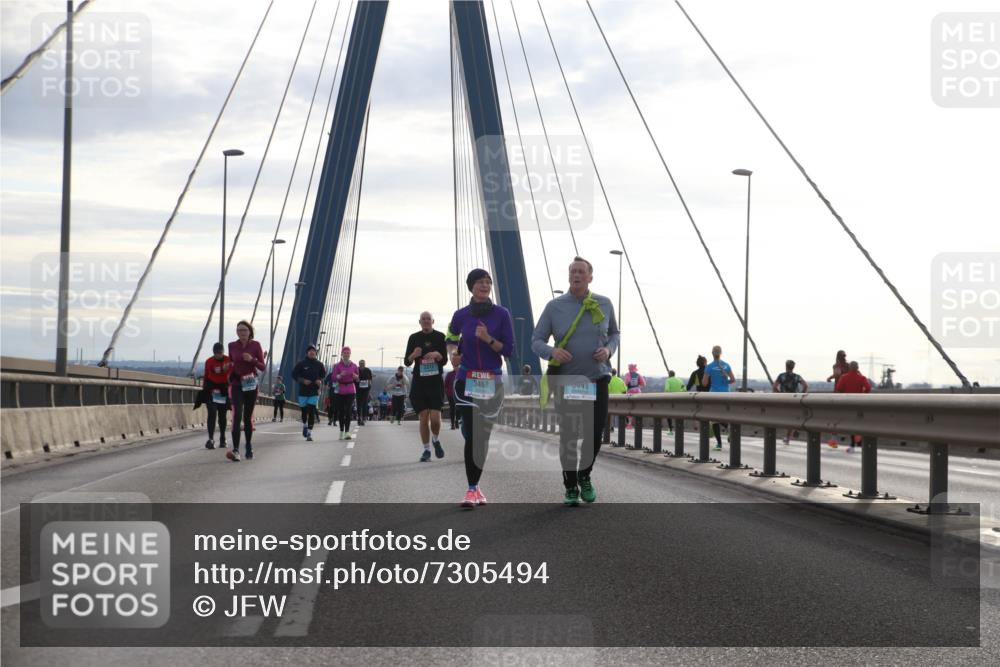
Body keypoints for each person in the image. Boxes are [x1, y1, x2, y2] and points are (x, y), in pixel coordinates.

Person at [533, 257, 618, 506]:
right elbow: (536, 340)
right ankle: (570, 485)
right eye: (573, 272)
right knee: (569, 435)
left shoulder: (605, 303)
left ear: (590, 277)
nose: (576, 275)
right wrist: (553, 352)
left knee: (595, 433)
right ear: (569, 276)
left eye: (581, 272)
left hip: (597, 378)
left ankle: (585, 475)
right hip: (567, 381)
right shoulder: (554, 307)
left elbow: (615, 333)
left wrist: (608, 350)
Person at [447, 268, 514, 509]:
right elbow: (451, 337)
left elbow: (509, 350)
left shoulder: (501, 314)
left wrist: (488, 339)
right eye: (480, 282)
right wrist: (452, 353)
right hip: (466, 379)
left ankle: (475, 487)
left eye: (488, 282)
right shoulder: (461, 315)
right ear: (471, 287)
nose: (485, 286)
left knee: (481, 436)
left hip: (491, 381)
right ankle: (471, 489)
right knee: (473, 434)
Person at [405, 312, 448, 461]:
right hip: (420, 382)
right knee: (423, 417)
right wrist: (413, 355)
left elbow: (445, 360)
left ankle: (435, 440)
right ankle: (426, 450)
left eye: (428, 319)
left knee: (435, 419)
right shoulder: (413, 337)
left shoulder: (440, 337)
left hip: (435, 382)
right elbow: (407, 362)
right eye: (423, 319)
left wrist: (437, 354)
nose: (426, 321)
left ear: (433, 321)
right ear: (419, 322)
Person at [227, 320, 266, 461]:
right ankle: (236, 450)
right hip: (237, 384)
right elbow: (232, 362)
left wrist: (252, 360)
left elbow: (262, 367)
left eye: (244, 330)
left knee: (247, 417)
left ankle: (248, 446)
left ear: (250, 332)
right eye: (239, 330)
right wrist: (229, 369)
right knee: (237, 415)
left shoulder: (256, 345)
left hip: (250, 384)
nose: (242, 332)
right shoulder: (232, 345)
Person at [701, 345, 735, 450]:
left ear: (712, 354)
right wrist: (725, 381)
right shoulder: (727, 365)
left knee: (714, 419)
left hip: (714, 395)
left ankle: (719, 444)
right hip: (726, 395)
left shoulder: (709, 366)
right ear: (721, 353)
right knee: (723, 416)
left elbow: (704, 383)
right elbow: (733, 380)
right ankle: (729, 428)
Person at [835, 361, 871, 452]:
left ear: (849, 368)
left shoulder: (844, 377)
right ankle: (860, 442)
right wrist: (863, 394)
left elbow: (839, 388)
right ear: (858, 368)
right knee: (859, 423)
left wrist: (845, 393)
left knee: (851, 424)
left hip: (848, 404)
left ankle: (853, 444)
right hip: (859, 403)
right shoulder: (862, 378)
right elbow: (868, 388)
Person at [292, 344, 325, 442]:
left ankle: (309, 433)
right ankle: (305, 425)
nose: (312, 352)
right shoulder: (301, 364)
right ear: (307, 353)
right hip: (303, 391)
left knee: (311, 411)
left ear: (316, 353)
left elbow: (323, 375)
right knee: (304, 411)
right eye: (310, 351)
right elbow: (294, 374)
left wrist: (319, 380)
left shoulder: (319, 364)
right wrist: (302, 381)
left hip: (314, 391)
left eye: (313, 351)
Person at [202, 342, 232, 450]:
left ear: (223, 352)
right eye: (216, 353)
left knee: (222, 416)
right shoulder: (209, 361)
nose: (218, 355)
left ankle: (223, 438)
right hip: (212, 390)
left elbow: (232, 375)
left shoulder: (228, 360)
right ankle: (211, 439)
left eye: (220, 353)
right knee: (212, 413)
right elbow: (206, 376)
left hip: (223, 390)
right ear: (213, 353)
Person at [773, 360, 808, 444]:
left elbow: (774, 387)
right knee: (792, 417)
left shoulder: (781, 376)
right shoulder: (797, 377)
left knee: (786, 418)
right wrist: (801, 394)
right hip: (795, 399)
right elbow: (806, 386)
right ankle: (790, 435)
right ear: (793, 367)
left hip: (784, 399)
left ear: (786, 366)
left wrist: (779, 394)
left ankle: (789, 435)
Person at [331, 347, 360, 440]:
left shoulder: (354, 366)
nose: (346, 354)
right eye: (345, 353)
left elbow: (358, 379)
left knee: (348, 411)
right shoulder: (337, 366)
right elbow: (333, 378)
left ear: (350, 354)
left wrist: (356, 377)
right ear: (342, 354)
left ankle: (347, 432)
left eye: (348, 353)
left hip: (351, 389)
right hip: (340, 390)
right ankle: (341, 431)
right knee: (341, 411)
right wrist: (340, 375)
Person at [603, 368, 627, 443]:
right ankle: (621, 426)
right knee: (619, 414)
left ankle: (611, 427)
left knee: (610, 414)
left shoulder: (608, 380)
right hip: (619, 399)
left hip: (611, 398)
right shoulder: (620, 380)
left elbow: (606, 389)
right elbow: (624, 390)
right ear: (616, 373)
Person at [663, 370, 685, 434]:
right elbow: (684, 389)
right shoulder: (680, 380)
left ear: (669, 375)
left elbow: (667, 390)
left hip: (671, 399)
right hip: (679, 399)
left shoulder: (668, 380)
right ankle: (680, 429)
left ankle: (670, 430)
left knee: (669, 414)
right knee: (678, 414)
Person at [355, 360, 373, 426]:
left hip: (366, 389)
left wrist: (369, 384)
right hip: (358, 389)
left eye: (363, 363)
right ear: (359, 364)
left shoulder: (368, 370)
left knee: (365, 404)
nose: (362, 364)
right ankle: (359, 418)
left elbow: (370, 380)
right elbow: (353, 378)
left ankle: (364, 418)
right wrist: (356, 380)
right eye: (361, 363)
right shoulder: (356, 370)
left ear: (365, 364)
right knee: (359, 404)